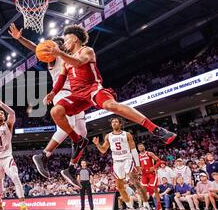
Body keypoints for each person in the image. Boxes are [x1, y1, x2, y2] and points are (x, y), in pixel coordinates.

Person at [43, 25, 177, 170]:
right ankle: (78, 140)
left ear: (75, 39)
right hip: (78, 96)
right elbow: (61, 78)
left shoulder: (87, 51)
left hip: (93, 89)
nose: (65, 43)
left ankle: (156, 130)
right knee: (55, 112)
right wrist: (53, 93)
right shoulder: (65, 61)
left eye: (67, 40)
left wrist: (60, 54)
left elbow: (79, 62)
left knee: (111, 106)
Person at [8, 24, 87, 186]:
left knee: (83, 134)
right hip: (62, 93)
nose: (65, 44)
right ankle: (43, 155)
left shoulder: (73, 56)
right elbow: (36, 48)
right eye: (62, 42)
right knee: (68, 125)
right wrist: (20, 38)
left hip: (77, 96)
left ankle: (71, 169)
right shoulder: (54, 55)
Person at [93, 118, 151, 210]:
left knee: (136, 182)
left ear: (120, 124)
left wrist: (137, 165)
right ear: (111, 125)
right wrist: (97, 144)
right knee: (119, 186)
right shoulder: (108, 136)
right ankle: (130, 207)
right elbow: (103, 150)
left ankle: (146, 207)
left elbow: (133, 150)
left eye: (116, 121)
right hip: (116, 162)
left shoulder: (127, 134)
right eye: (112, 122)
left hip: (127, 160)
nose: (114, 123)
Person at [138, 143, 162, 210]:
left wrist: (154, 167)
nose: (140, 147)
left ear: (144, 147)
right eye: (139, 147)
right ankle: (146, 206)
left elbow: (159, 161)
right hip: (144, 174)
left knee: (155, 189)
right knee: (143, 190)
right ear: (138, 149)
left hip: (151, 173)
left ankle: (159, 205)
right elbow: (138, 166)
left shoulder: (149, 153)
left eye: (142, 146)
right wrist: (139, 168)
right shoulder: (138, 156)